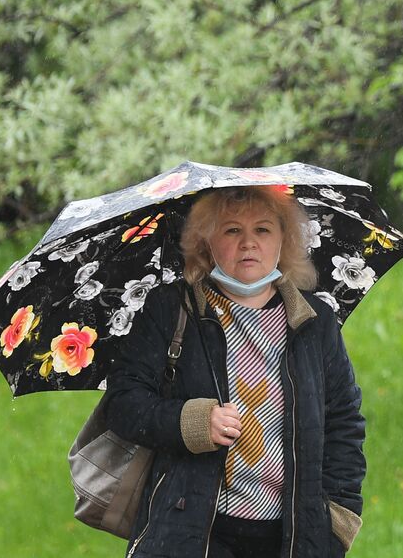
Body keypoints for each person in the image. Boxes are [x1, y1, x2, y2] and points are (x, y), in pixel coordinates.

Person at [107, 185, 365, 558]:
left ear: (283, 240)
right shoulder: (172, 310)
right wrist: (192, 422)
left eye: (262, 230)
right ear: (206, 241)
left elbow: (344, 424)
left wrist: (337, 523)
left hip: (292, 535)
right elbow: (123, 404)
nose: (248, 243)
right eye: (231, 230)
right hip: (190, 531)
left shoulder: (315, 322)